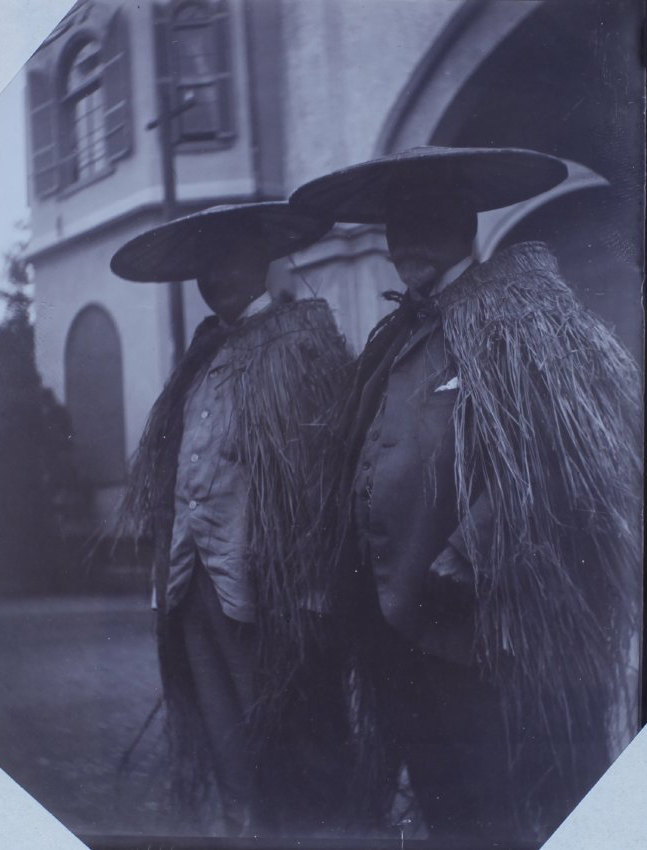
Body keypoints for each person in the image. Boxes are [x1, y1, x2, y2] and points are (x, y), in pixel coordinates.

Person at [290, 147, 642, 843]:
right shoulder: (398, 332)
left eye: (425, 218)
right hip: (395, 625)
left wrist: (471, 551)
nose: (405, 242)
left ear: (466, 221)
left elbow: (563, 456)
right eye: (396, 225)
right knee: (440, 795)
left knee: (492, 801)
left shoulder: (518, 317)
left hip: (472, 627)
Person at [111, 202, 353, 837]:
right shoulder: (201, 358)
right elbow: (172, 473)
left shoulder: (299, 344)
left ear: (259, 260)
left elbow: (325, 477)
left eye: (230, 259)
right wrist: (165, 570)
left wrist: (306, 586)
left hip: (265, 594)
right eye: (205, 266)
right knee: (227, 742)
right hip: (195, 589)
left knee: (285, 738)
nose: (217, 276)